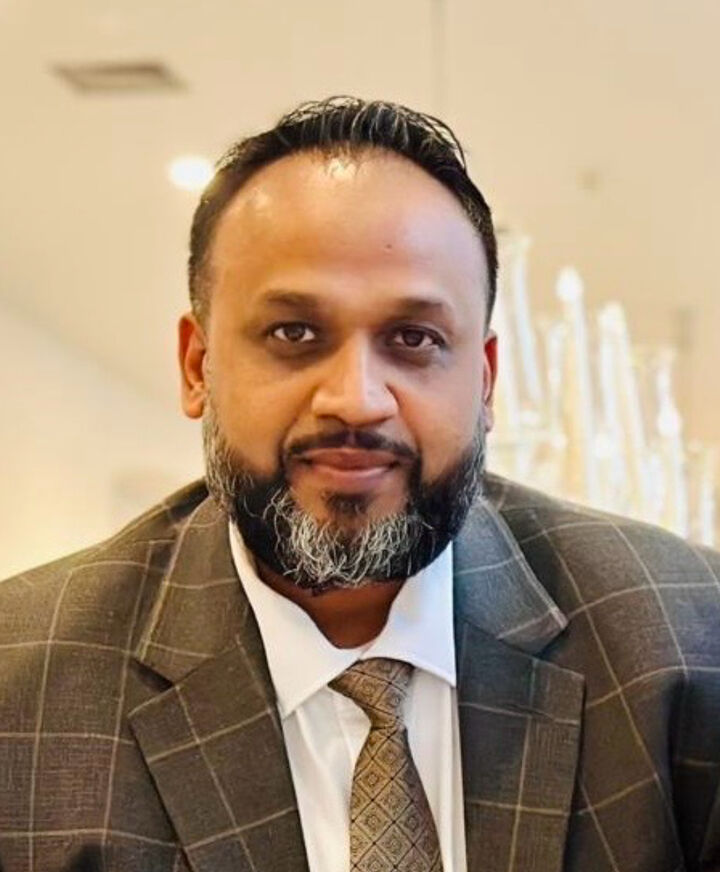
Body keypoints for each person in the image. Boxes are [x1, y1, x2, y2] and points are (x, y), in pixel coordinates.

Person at [1, 97, 719, 872]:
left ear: (484, 381)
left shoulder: (684, 641)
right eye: (294, 333)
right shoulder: (23, 689)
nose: (355, 399)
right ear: (197, 365)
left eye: (414, 338)